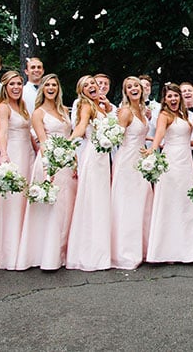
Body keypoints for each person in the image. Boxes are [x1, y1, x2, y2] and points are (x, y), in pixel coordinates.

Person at [15, 74, 75, 270]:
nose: (51, 88)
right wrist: (50, 168)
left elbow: (70, 137)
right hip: (50, 162)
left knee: (67, 208)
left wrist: (73, 160)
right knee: (53, 208)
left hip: (67, 162)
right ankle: (48, 254)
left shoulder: (64, 110)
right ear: (42, 89)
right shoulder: (38, 113)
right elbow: (42, 141)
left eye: (54, 85)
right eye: (47, 85)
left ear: (58, 88)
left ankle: (64, 252)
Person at [145, 84, 193, 263]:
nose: (173, 99)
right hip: (171, 163)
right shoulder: (164, 115)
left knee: (186, 203)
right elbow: (160, 135)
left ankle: (189, 250)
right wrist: (152, 151)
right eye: (169, 96)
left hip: (186, 162)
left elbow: (187, 139)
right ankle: (166, 251)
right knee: (170, 203)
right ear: (164, 99)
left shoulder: (184, 114)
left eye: (175, 96)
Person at [66, 76, 113, 271]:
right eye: (85, 85)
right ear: (82, 91)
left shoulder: (101, 106)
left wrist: (108, 109)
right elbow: (81, 127)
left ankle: (102, 250)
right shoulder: (86, 106)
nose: (91, 87)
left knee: (101, 202)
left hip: (103, 158)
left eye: (92, 83)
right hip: (93, 156)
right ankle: (90, 253)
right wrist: (67, 144)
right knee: (92, 202)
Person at [0, 71, 36, 270]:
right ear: (5, 87)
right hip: (14, 154)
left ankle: (25, 247)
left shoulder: (22, 107)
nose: (17, 87)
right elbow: (2, 133)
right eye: (12, 84)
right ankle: (10, 252)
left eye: (19, 83)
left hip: (27, 154)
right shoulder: (2, 107)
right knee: (13, 201)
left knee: (26, 200)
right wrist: (3, 154)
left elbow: (28, 133)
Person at [110, 76, 153, 270]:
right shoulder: (126, 112)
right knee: (127, 204)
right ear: (125, 92)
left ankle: (143, 249)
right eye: (129, 87)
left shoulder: (143, 112)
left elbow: (143, 134)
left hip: (141, 161)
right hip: (127, 161)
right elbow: (116, 137)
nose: (134, 89)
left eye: (136, 85)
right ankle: (126, 252)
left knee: (142, 203)